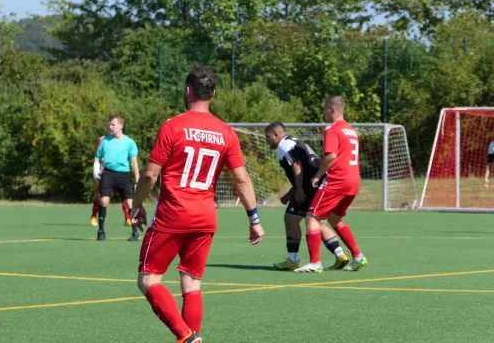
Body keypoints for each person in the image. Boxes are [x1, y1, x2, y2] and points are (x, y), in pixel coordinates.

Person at [130, 65, 265, 343]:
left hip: (172, 215)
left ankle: (186, 336)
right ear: (213, 93)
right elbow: (241, 180)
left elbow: (150, 174)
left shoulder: (172, 126)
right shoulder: (226, 132)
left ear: (187, 91)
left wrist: (136, 203)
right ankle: (193, 338)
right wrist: (254, 220)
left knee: (148, 280)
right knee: (191, 283)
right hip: (205, 217)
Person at [295, 96, 368, 273]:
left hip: (337, 179)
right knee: (335, 219)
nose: (323, 112)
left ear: (332, 110)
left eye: (325, 109)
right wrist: (322, 162)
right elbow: (339, 157)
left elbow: (332, 157)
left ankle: (315, 262)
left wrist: (318, 175)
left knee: (312, 217)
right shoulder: (351, 130)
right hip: (353, 180)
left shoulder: (332, 130)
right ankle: (358, 256)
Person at [264, 122, 348, 271]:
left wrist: (299, 190)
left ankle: (292, 259)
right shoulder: (295, 141)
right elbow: (307, 165)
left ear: (276, 135)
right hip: (317, 184)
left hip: (308, 187)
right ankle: (340, 255)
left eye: (268, 136)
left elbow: (297, 166)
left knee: (290, 218)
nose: (267, 140)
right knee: (318, 223)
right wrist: (290, 193)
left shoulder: (284, 145)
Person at [93, 115, 140, 241]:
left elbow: (134, 162)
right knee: (104, 201)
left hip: (123, 175)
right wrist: (96, 169)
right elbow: (97, 156)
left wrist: (137, 180)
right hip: (108, 174)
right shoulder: (105, 141)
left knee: (130, 203)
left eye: (113, 124)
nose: (110, 127)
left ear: (121, 126)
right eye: (109, 124)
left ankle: (135, 233)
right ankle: (101, 231)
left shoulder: (129, 142)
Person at [91, 135, 130, 227]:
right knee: (101, 195)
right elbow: (98, 156)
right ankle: (93, 216)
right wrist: (96, 169)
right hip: (105, 172)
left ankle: (127, 218)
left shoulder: (124, 139)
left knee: (124, 195)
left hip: (120, 172)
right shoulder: (102, 140)